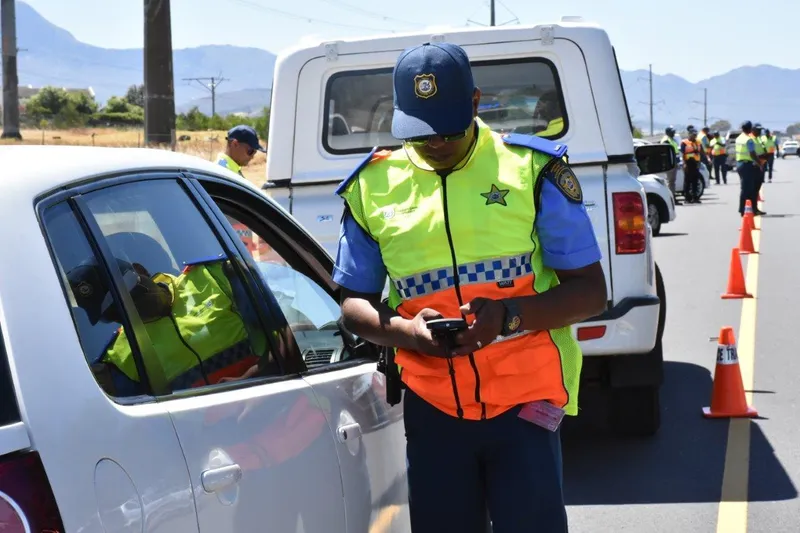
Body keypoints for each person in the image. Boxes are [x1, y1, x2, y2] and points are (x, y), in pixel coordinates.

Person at [332, 41, 607, 533]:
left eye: (449, 130)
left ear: (476, 103)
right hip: (433, 408)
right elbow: (354, 305)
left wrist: (509, 318)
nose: (436, 143)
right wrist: (407, 333)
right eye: (421, 133)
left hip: (525, 404)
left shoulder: (532, 169)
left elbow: (589, 291)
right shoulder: (370, 187)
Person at [67, 255, 267, 395]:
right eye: (114, 312)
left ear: (141, 270)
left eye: (130, 295)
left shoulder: (215, 275)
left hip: (273, 401)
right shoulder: (122, 359)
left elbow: (282, 333)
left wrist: (255, 374)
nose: (128, 310)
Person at [735, 121, 765, 216]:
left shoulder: (739, 138)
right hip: (747, 165)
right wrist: (759, 163)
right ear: (750, 129)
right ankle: (744, 210)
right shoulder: (748, 140)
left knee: (747, 188)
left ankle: (749, 209)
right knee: (748, 189)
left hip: (740, 164)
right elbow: (752, 154)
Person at [680, 126, 703, 203]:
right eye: (693, 134)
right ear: (689, 134)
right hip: (688, 163)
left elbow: (700, 152)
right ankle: (687, 198)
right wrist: (684, 163)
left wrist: (700, 162)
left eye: (695, 134)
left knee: (695, 181)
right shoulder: (684, 143)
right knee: (687, 181)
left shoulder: (698, 142)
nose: (695, 136)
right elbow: (682, 154)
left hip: (696, 164)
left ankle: (695, 198)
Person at [661, 126, 682, 204]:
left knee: (672, 181)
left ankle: (673, 198)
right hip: (670, 164)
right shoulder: (666, 141)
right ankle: (671, 199)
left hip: (674, 163)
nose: (673, 133)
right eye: (672, 132)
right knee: (671, 182)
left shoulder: (672, 140)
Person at [751, 123, 768, 200]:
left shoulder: (759, 138)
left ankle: (755, 207)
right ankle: (753, 207)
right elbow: (751, 153)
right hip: (754, 164)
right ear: (753, 130)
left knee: (758, 185)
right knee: (754, 187)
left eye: (760, 130)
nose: (760, 132)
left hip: (760, 164)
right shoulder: (751, 139)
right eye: (758, 130)